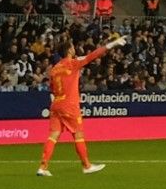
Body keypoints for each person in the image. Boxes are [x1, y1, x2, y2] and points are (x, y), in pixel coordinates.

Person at [37, 32, 125, 176]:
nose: (74, 49)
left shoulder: (54, 69)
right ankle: (86, 165)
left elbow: (51, 88)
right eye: (72, 47)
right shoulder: (72, 63)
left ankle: (43, 167)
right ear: (69, 50)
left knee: (53, 135)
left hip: (56, 104)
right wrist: (113, 44)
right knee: (78, 134)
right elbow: (93, 56)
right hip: (69, 105)